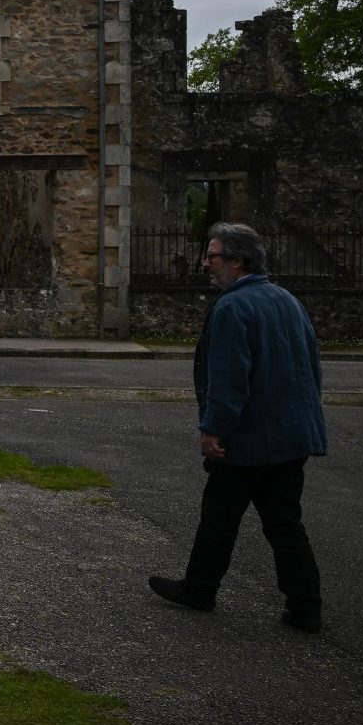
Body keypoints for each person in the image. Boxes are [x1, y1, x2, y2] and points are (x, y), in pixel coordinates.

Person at [149, 222, 327, 632]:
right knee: (284, 523)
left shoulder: (233, 307)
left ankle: (199, 590)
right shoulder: (286, 299)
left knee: (219, 517)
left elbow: (229, 377)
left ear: (237, 261)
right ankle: (306, 607)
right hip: (290, 436)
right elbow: (310, 367)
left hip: (249, 438)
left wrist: (214, 429)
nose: (206, 264)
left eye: (212, 256)